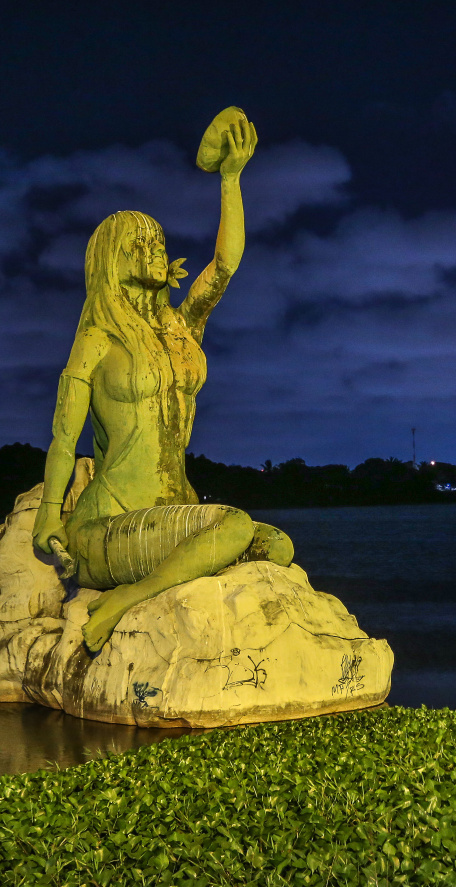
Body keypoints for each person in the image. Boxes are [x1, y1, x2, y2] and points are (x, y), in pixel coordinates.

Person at [32, 113, 291, 653]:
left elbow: (225, 266)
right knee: (235, 526)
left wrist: (230, 179)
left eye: (157, 240)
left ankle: (143, 589)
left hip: (174, 513)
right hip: (109, 526)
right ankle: (123, 601)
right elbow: (64, 438)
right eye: (139, 243)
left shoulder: (180, 325)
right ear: (111, 260)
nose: (154, 248)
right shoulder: (98, 338)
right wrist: (48, 516)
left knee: (277, 546)